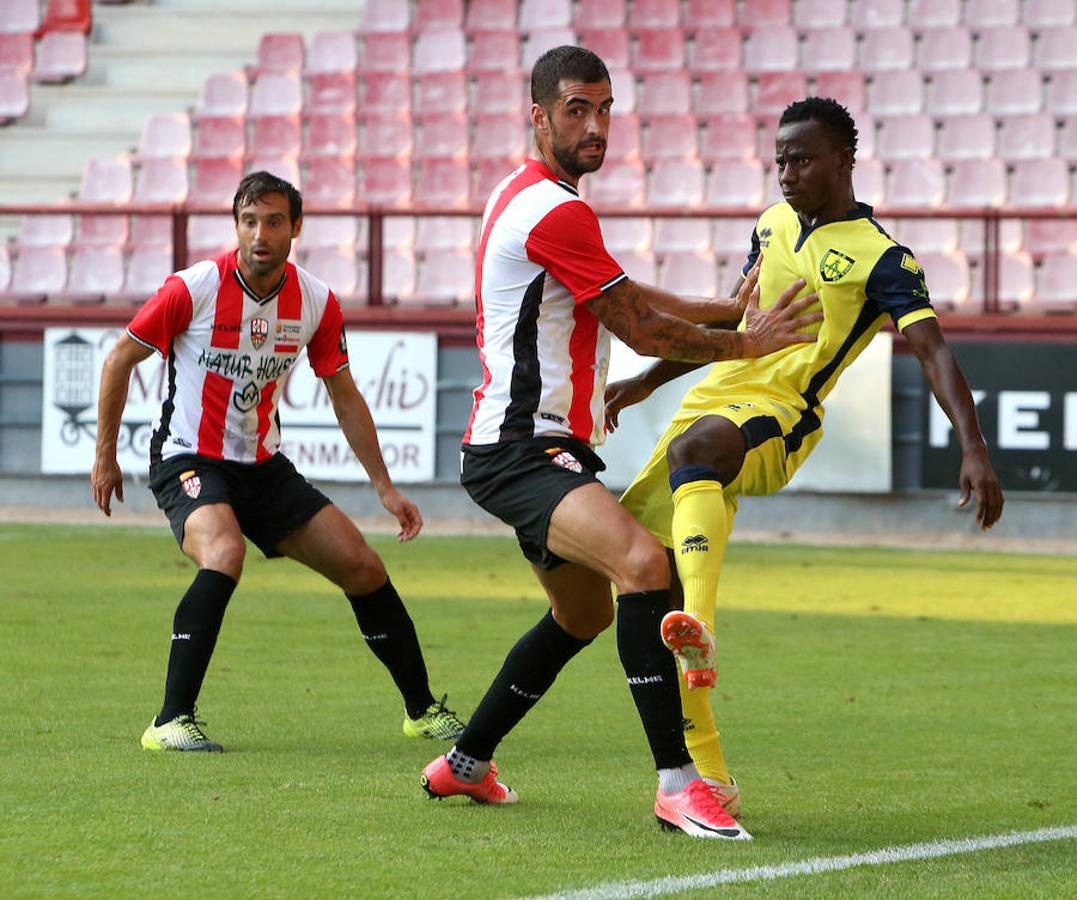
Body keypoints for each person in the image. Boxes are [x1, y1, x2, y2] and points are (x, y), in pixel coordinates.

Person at [419, 47, 821, 840]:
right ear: (538, 116)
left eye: (604, 108)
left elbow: (629, 296)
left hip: (527, 447)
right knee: (646, 566)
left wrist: (724, 310)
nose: (594, 125)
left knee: (581, 615)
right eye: (576, 109)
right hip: (516, 449)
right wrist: (751, 343)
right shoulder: (558, 210)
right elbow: (636, 325)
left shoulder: (528, 192)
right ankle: (677, 783)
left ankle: (462, 764)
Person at [607, 97, 1005, 814]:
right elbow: (735, 320)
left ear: (843, 160)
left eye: (802, 158)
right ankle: (708, 772)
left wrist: (972, 448)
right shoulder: (770, 225)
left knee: (696, 461)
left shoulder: (882, 258)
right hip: (716, 396)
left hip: (781, 415)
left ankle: (702, 622)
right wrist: (643, 379)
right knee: (643, 576)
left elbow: (933, 352)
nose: (787, 172)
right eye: (780, 159)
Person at [90, 171, 465, 752]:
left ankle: (422, 711)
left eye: (272, 221)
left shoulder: (315, 300)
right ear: (235, 225)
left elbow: (344, 394)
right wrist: (105, 457)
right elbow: (119, 360)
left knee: (362, 565)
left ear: (295, 228)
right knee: (225, 551)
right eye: (248, 220)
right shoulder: (194, 288)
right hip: (188, 457)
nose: (259, 233)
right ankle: (170, 721)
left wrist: (385, 488)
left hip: (262, 466)